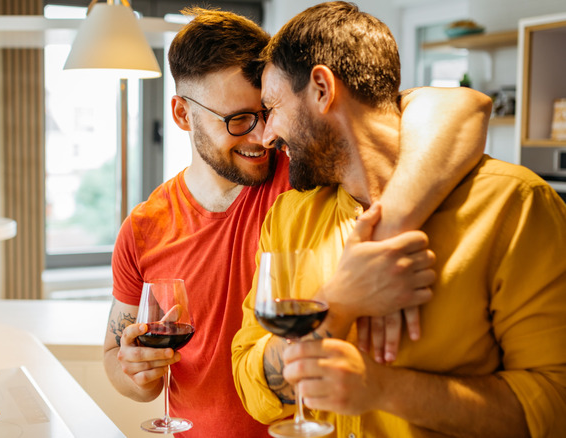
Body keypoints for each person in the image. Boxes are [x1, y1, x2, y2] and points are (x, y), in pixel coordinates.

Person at [105, 7, 492, 437]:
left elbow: (462, 105)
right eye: (239, 120)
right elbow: (116, 358)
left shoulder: (304, 174)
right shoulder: (143, 227)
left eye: (267, 111)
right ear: (181, 115)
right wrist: (136, 373)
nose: (263, 136)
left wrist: (392, 225)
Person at [231, 2, 566, 437]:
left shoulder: (516, 205)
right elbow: (250, 385)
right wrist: (337, 304)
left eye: (272, 107)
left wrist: (385, 390)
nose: (267, 135)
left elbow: (554, 408)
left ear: (321, 88)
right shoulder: (288, 218)